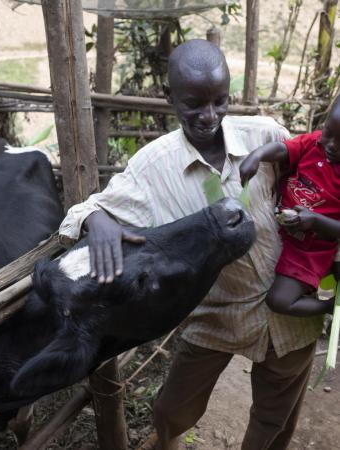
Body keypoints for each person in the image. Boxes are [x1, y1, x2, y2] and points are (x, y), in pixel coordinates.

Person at [59, 39, 329, 450]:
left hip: (288, 310)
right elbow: (83, 211)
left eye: (220, 102)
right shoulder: (152, 167)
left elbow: (322, 184)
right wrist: (96, 221)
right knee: (171, 411)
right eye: (194, 104)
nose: (209, 116)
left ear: (229, 95)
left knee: (274, 418)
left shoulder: (267, 134)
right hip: (214, 315)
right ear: (170, 98)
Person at [240, 95, 340, 318]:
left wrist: (314, 220)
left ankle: (328, 305)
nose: (331, 145)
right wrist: (257, 155)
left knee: (279, 301)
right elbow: (284, 149)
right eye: (328, 133)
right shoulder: (315, 144)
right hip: (280, 229)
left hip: (309, 250)